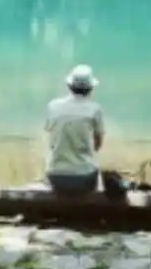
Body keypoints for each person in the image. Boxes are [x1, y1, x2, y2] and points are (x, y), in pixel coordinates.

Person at [44, 65, 106, 197]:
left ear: (70, 86)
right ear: (90, 88)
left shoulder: (53, 106)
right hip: (83, 177)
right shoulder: (94, 109)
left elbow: (51, 136)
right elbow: (98, 145)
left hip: (55, 175)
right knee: (96, 175)